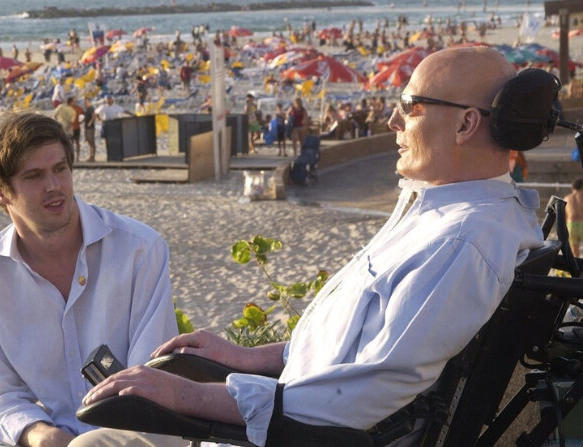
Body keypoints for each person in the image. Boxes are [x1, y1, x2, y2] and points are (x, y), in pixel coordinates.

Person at [78, 47, 545, 447]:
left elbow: (362, 393)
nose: (393, 119)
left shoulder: (461, 241)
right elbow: (359, 350)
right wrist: (253, 357)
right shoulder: (443, 210)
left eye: (411, 104)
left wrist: (187, 396)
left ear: (466, 125)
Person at [0, 112, 179, 447]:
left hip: (138, 427)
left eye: (60, 169)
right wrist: (40, 435)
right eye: (34, 176)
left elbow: (150, 376)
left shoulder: (140, 250)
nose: (54, 186)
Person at [564, 178, 583, 257]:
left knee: (574, 251)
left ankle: (577, 268)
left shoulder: (566, 198)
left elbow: (564, 216)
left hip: (571, 224)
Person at [83, 98, 96, 162]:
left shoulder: (91, 108)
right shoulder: (87, 109)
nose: (85, 103)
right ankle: (91, 156)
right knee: (89, 142)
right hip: (86, 127)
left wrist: (90, 122)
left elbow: (94, 115)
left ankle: (92, 157)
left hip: (90, 128)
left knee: (91, 142)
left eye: (86, 102)